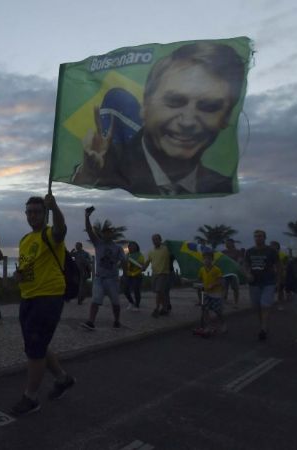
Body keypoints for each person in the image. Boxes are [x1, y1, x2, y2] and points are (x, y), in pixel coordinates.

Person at [72, 42, 246, 195]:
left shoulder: (218, 185)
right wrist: (88, 174)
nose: (187, 122)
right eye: (174, 102)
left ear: (226, 117)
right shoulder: (109, 168)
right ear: (145, 106)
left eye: (209, 106)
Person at [10, 194, 75, 416]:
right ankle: (63, 379)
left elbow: (60, 228)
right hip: (28, 296)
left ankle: (30, 398)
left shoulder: (50, 234)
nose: (32, 215)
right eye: (29, 212)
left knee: (35, 349)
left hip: (49, 297)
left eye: (37, 211)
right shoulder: (25, 240)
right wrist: (19, 275)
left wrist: (54, 207)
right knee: (36, 344)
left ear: (44, 214)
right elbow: (28, 267)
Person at [80, 207, 126, 330]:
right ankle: (91, 322)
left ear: (112, 234)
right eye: (105, 232)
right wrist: (86, 217)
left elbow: (123, 261)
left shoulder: (117, 248)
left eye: (109, 232)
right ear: (102, 234)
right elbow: (89, 230)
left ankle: (117, 320)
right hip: (99, 279)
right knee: (95, 300)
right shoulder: (98, 243)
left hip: (112, 279)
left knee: (115, 302)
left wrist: (124, 274)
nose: (107, 234)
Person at [244, 230, 281, 341]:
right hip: (254, 282)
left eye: (260, 236)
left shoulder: (271, 251)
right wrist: (247, 274)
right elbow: (246, 265)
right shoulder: (249, 251)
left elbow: (278, 266)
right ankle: (263, 325)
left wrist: (278, 281)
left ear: (265, 238)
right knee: (257, 306)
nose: (258, 238)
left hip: (268, 282)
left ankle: (263, 328)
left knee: (265, 305)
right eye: (256, 236)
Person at [143, 234, 172, 317]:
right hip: (154, 274)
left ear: (160, 240)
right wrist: (143, 268)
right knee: (160, 292)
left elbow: (174, 248)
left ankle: (157, 308)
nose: (155, 241)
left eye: (156, 239)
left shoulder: (166, 249)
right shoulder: (151, 251)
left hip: (163, 274)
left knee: (159, 291)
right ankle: (165, 308)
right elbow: (147, 262)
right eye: (153, 239)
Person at [197, 251, 227, 333]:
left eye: (209, 259)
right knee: (205, 310)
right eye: (205, 259)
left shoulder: (217, 270)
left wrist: (213, 285)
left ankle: (223, 323)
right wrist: (188, 281)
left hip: (216, 294)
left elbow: (221, 280)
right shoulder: (201, 269)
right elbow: (199, 280)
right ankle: (208, 326)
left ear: (212, 260)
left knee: (217, 311)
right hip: (205, 293)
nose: (206, 260)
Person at [123, 241, 145, 310]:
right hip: (128, 275)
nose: (131, 247)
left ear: (136, 247)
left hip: (137, 275)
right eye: (130, 246)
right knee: (125, 290)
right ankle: (131, 302)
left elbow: (141, 265)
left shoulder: (140, 255)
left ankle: (137, 305)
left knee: (136, 290)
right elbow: (123, 264)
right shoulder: (127, 255)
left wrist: (133, 261)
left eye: (133, 246)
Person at [222, 238, 243, 309]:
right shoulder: (223, 252)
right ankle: (224, 301)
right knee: (224, 287)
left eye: (228, 243)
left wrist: (236, 266)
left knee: (235, 288)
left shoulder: (237, 251)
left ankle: (236, 302)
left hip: (234, 273)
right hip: (225, 272)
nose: (226, 244)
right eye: (226, 243)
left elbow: (240, 260)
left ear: (232, 243)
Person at [270, 240, 288, 311]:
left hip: (281, 275)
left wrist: (282, 269)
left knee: (280, 290)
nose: (271, 247)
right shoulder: (269, 254)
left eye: (273, 245)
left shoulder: (283, 255)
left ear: (277, 246)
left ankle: (280, 304)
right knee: (271, 290)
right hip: (271, 275)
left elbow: (287, 264)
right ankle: (270, 304)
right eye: (271, 245)